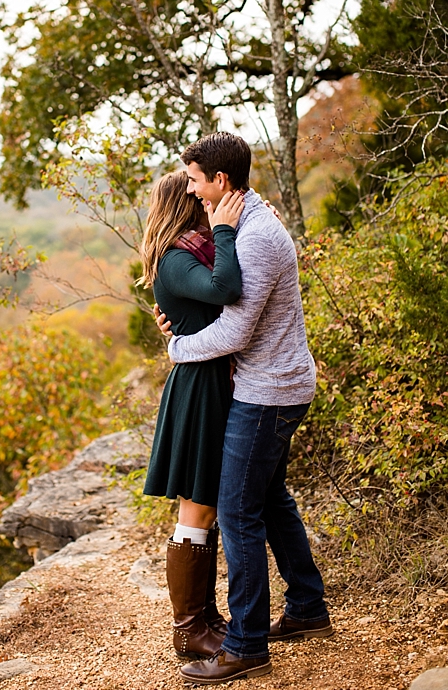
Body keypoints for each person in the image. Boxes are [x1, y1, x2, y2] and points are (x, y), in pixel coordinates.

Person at [156, 132, 331, 685]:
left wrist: (177, 347)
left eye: (194, 180)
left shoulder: (251, 235)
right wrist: (179, 319)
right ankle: (306, 608)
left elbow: (236, 327)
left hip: (267, 391)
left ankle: (247, 645)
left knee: (236, 512)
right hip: (277, 382)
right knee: (272, 499)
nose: (189, 189)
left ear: (220, 182)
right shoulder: (251, 221)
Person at [138, 171, 244, 659]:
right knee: (197, 504)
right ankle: (187, 631)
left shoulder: (188, 253)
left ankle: (205, 618)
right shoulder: (178, 259)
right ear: (182, 204)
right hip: (199, 386)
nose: (206, 200)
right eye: (197, 195)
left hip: (210, 378)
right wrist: (224, 231)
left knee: (209, 503)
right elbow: (225, 288)